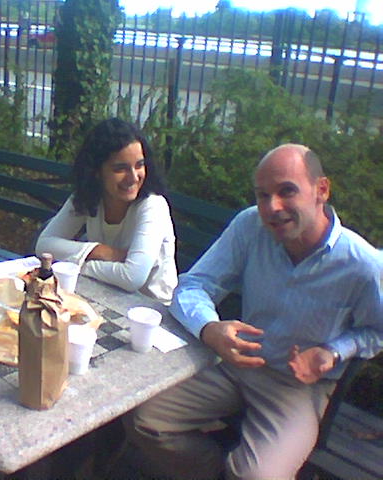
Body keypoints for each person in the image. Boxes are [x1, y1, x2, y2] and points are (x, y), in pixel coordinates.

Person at [127, 144, 383, 479]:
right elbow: (194, 285)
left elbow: (377, 330)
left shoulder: (363, 265)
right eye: (263, 195)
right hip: (236, 363)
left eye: (287, 191)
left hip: (297, 386)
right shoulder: (250, 226)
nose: (272, 207)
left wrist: (334, 351)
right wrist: (210, 329)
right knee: (144, 419)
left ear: (321, 190)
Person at [35, 118, 177, 304]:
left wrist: (77, 265)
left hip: (152, 309)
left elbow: (131, 278)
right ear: (96, 171)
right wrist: (100, 251)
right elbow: (44, 245)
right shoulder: (89, 196)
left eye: (139, 165)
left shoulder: (153, 206)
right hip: (101, 294)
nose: (133, 177)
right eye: (120, 168)